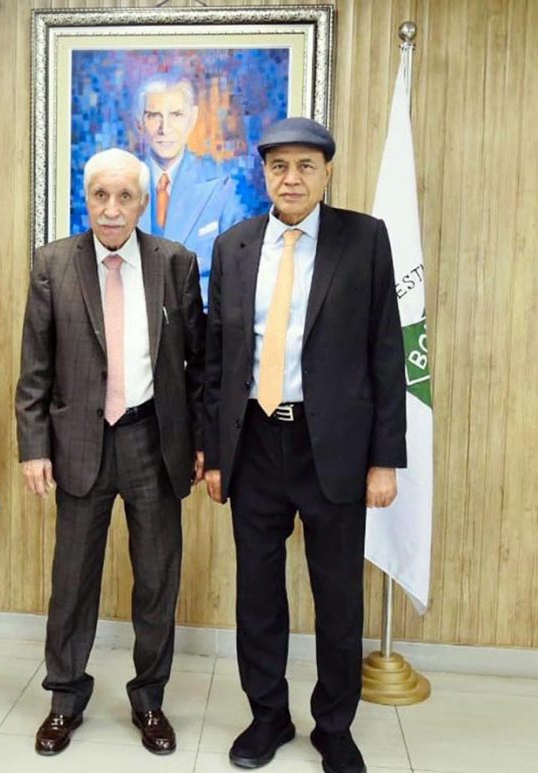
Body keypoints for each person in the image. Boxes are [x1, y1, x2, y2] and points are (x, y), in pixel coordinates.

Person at [203, 117, 406, 773]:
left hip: (335, 449)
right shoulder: (233, 246)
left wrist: (384, 459)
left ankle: (334, 726)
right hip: (255, 443)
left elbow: (386, 352)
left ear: (326, 172)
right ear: (264, 173)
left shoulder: (364, 239)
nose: (291, 179)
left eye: (305, 166)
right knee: (258, 595)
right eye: (279, 166)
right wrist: (214, 453)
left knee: (338, 597)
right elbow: (216, 359)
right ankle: (268, 716)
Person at [15, 148, 205, 758]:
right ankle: (64, 699)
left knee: (156, 580)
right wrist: (33, 448)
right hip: (79, 443)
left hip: (154, 442)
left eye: (125, 196)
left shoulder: (175, 263)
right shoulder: (53, 264)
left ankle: (149, 699)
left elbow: (199, 366)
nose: (112, 209)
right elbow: (35, 367)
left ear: (143, 203)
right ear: (87, 198)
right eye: (101, 195)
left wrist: (201, 442)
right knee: (72, 581)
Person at [135, 75, 247, 303]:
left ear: (192, 118)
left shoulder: (223, 186)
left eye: (176, 115)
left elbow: (236, 281)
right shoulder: (119, 185)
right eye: (153, 116)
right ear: (140, 122)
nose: (164, 128)